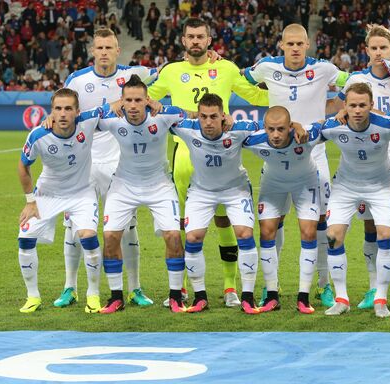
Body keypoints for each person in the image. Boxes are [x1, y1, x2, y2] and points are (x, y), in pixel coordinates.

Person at [148, 18, 269, 308]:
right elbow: (144, 99)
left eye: (200, 36)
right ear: (183, 41)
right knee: (181, 224)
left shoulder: (226, 68)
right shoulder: (171, 71)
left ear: (209, 39)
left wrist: (299, 94)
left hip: (221, 152)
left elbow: (256, 95)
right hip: (184, 154)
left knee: (225, 219)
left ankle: (230, 288)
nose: (195, 41)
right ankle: (182, 289)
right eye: (190, 37)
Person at [243, 23, 350, 308]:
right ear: (281, 45)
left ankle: (323, 285)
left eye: (299, 44)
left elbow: (353, 81)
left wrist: (342, 106)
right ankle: (271, 287)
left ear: (307, 45)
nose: (294, 49)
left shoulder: (325, 69)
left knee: (320, 225)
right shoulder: (265, 68)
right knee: (272, 224)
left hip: (314, 156)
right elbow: (239, 78)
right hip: (277, 156)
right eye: (289, 44)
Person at [56, 28, 160, 313]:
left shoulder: (133, 75)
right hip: (84, 161)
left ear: (117, 50)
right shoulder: (77, 80)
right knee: (75, 226)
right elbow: (63, 111)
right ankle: (70, 288)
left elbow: (167, 72)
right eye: (99, 47)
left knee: (127, 228)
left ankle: (135, 287)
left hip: (120, 161)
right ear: (93, 50)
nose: (104, 52)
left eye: (109, 48)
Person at [334, 24, 390, 311]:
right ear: (367, 50)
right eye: (374, 48)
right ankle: (374, 288)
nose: (378, 53)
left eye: (384, 48)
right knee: (371, 227)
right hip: (370, 160)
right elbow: (342, 109)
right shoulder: (358, 80)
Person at [97, 75, 186, 314]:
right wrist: (107, 107)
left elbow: (199, 116)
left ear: (147, 100)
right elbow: (77, 120)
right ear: (122, 102)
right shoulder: (112, 119)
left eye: (139, 100)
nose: (134, 105)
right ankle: (116, 296)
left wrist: (226, 118)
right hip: (124, 185)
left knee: (173, 238)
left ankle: (176, 296)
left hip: (159, 185)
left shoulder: (164, 115)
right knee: (111, 238)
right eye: (129, 100)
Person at [169, 93, 261, 314]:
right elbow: (163, 116)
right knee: (192, 237)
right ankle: (200, 297)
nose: (208, 122)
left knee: (244, 234)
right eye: (203, 116)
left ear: (223, 116)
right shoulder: (188, 128)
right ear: (198, 116)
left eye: (213, 116)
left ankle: (248, 297)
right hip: (201, 191)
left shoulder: (238, 129)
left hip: (235, 190)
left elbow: (265, 124)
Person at [320, 83, 390, 318]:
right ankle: (342, 299)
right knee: (332, 237)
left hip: (381, 187)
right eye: (352, 105)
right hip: (346, 187)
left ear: (371, 106)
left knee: (386, 236)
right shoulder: (334, 127)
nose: (357, 110)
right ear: (344, 106)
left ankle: (380, 299)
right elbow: (306, 135)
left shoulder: (386, 126)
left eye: (362, 105)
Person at [17, 89, 104, 313]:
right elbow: (23, 166)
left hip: (82, 193)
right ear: (51, 112)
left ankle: (92, 295)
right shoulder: (38, 135)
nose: (63, 113)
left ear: (77, 111)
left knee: (88, 236)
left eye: (68, 108)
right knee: (25, 238)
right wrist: (30, 201)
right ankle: (32, 296)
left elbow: (118, 105)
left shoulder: (89, 120)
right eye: (58, 109)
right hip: (48, 194)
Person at [243, 106, 322, 314]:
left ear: (289, 127)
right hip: (273, 183)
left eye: (280, 129)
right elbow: (230, 134)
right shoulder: (255, 140)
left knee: (308, 231)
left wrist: (341, 115)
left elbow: (327, 126)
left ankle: (303, 297)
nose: (275, 135)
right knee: (267, 231)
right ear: (264, 128)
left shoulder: (306, 136)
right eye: (271, 129)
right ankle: (271, 295)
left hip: (305, 183)